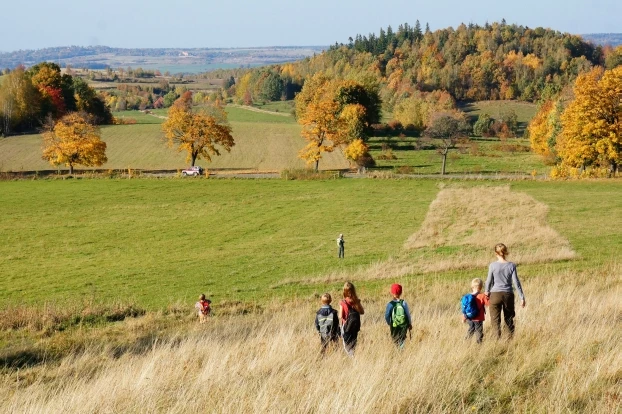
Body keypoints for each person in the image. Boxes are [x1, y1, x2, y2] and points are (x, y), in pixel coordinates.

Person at [485, 244, 526, 339]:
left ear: (496, 253)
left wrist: (487, 291)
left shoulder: (492, 265)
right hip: (508, 294)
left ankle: (496, 340)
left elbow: (489, 280)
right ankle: (509, 340)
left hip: (495, 294)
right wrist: (522, 297)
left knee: (495, 320)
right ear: (506, 252)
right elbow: (516, 282)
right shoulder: (511, 265)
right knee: (509, 319)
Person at [338, 281, 365, 356]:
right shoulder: (356, 301)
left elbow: (340, 316)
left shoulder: (343, 302)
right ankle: (353, 354)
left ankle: (351, 357)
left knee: (346, 344)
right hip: (355, 326)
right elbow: (362, 312)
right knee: (353, 342)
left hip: (346, 326)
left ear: (344, 291)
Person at [384, 283, 413, 348]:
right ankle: (401, 350)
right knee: (402, 339)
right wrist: (409, 324)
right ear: (401, 293)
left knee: (395, 339)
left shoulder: (390, 304)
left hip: (394, 325)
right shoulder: (403, 303)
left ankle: (397, 352)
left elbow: (386, 315)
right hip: (403, 325)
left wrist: (389, 323)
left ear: (391, 292)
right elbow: (408, 315)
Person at [462, 278, 490, 343]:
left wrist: (464, 318)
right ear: (481, 287)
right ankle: (479, 344)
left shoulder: (467, 296)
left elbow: (464, 308)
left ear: (472, 287)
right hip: (479, 318)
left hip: (469, 318)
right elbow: (488, 304)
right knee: (479, 331)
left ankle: (466, 342)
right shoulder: (482, 296)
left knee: (471, 329)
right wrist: (487, 296)